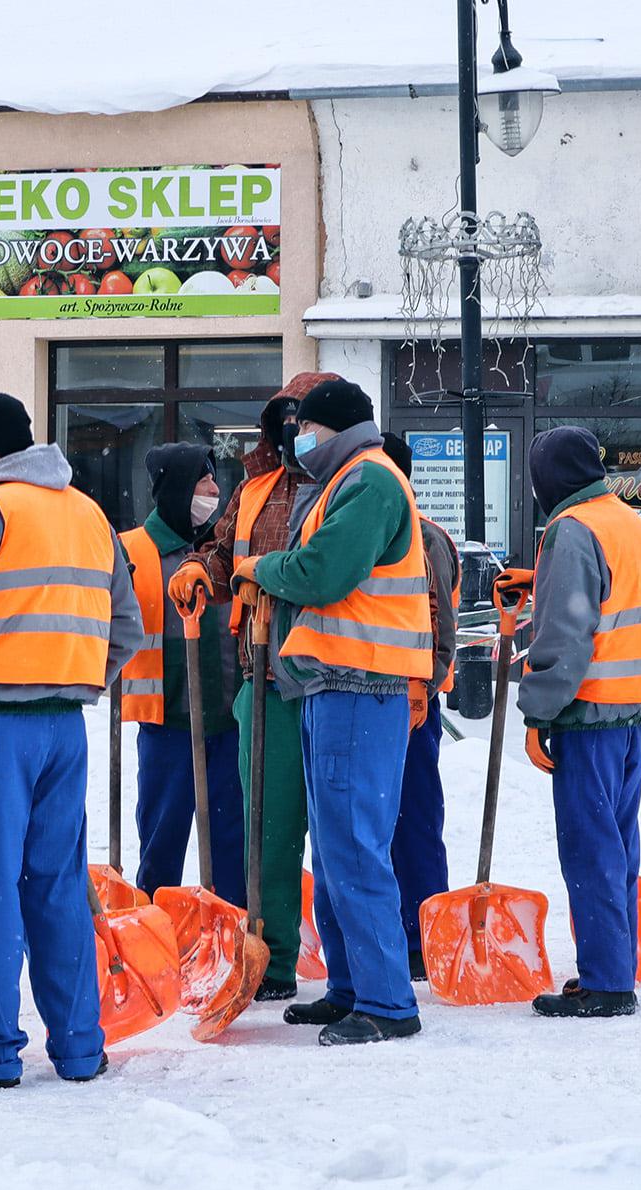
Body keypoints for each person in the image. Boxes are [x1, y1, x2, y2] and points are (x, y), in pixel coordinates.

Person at [0, 391, 142, 1088]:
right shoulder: (90, 514)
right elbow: (128, 626)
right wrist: (78, 674)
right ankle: (81, 1046)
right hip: (66, 725)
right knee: (57, 886)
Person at [236, 379, 430, 1045]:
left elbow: (324, 573)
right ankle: (349, 986)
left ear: (333, 428)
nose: (297, 439)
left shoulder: (369, 481)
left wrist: (262, 568)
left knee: (354, 845)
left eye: (306, 427)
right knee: (336, 843)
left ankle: (386, 1002)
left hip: (361, 684)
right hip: (330, 684)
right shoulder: (342, 480)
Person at [174, 371, 342, 1003]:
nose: (297, 432)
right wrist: (198, 568)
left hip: (333, 681)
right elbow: (222, 552)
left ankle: (351, 965)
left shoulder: (348, 486)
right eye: (288, 420)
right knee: (266, 836)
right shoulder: (256, 488)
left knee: (338, 834)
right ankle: (269, 961)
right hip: (263, 681)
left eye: (308, 421)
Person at [513, 427, 641, 1018]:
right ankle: (615, 967)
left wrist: (536, 711)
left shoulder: (571, 532)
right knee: (619, 845)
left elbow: (567, 637)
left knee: (590, 848)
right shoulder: (625, 520)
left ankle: (605, 983)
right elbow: (612, 601)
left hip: (590, 711)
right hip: (634, 709)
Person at [120, 441, 245, 907]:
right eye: (204, 480)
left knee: (233, 837)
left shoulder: (219, 551)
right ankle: (155, 928)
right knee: (162, 839)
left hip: (229, 720)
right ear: (176, 490)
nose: (215, 489)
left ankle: (231, 932)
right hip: (166, 721)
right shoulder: (131, 550)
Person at [381, 433, 459, 982]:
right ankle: (405, 929)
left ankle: (422, 934)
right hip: (382, 695)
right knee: (389, 822)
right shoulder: (404, 531)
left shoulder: (421, 537)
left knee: (412, 820)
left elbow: (440, 626)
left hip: (410, 700)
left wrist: (421, 686)